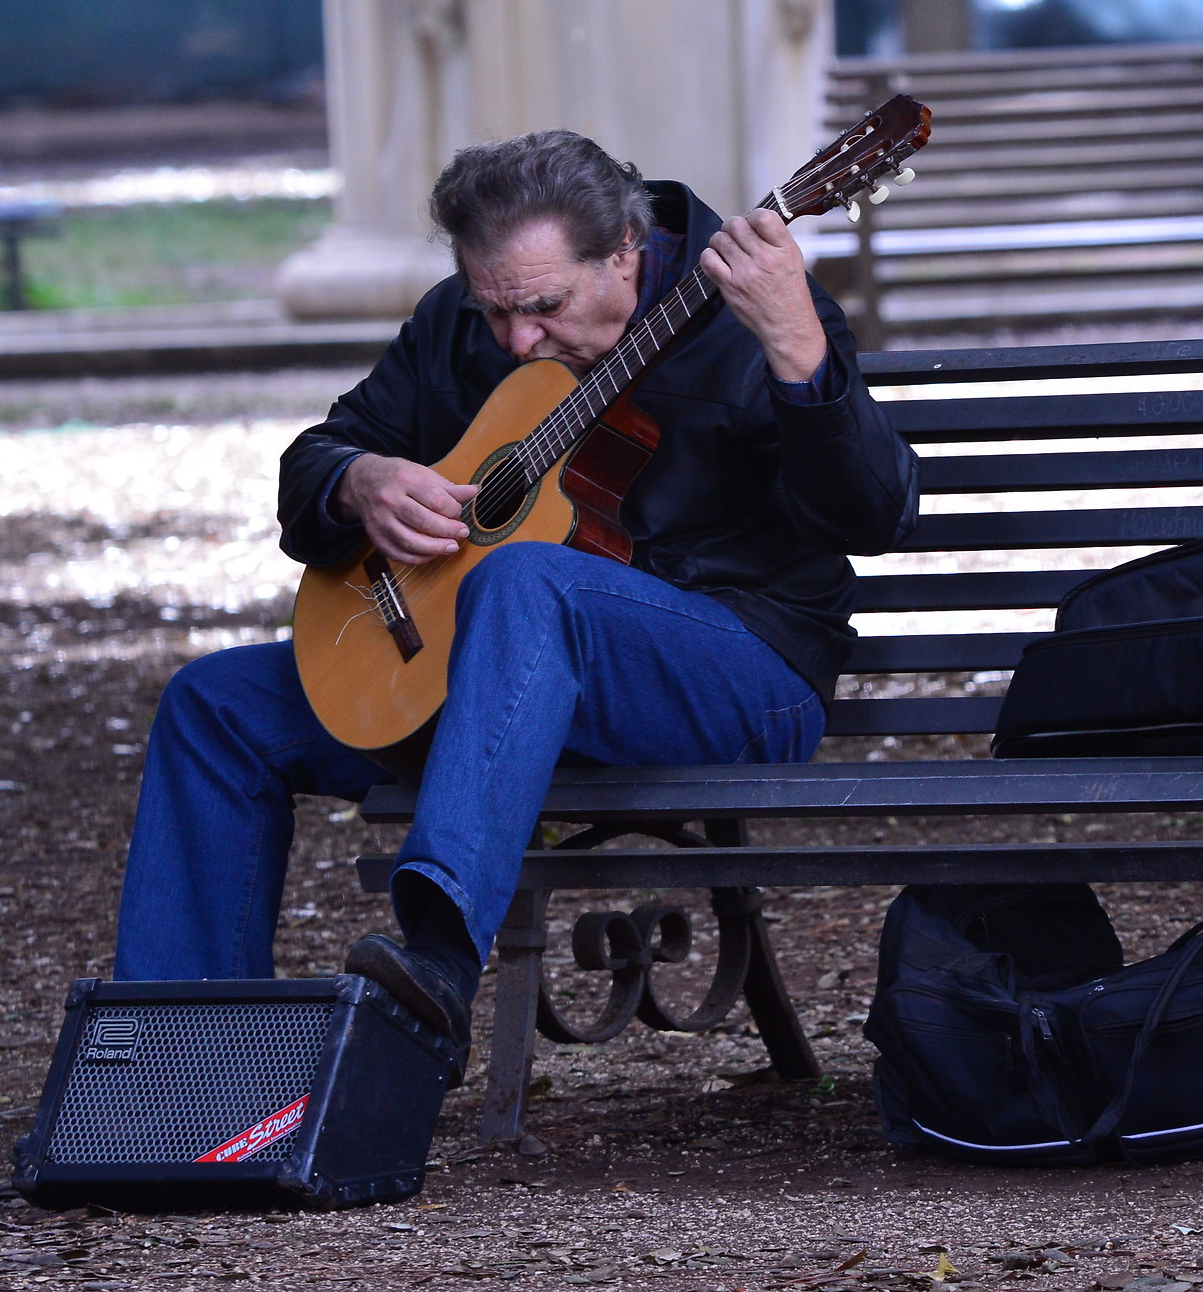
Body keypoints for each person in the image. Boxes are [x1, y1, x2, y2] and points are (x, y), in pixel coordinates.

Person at [110, 130, 919, 1069]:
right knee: (218, 709)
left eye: (542, 307)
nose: (517, 340)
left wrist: (795, 346)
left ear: (625, 245)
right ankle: (172, 1068)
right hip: (495, 678)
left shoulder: (759, 310)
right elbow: (316, 461)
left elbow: (877, 514)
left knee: (526, 579)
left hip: (738, 666)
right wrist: (357, 480)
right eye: (495, 310)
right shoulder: (466, 317)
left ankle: (439, 964)